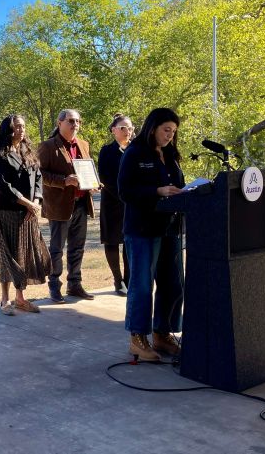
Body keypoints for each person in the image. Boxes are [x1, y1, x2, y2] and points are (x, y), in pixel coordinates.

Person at [118, 107, 185, 361]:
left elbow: (177, 184)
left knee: (173, 283)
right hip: (143, 230)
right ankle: (138, 338)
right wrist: (157, 191)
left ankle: (162, 334)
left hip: (170, 228)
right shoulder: (135, 152)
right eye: (166, 130)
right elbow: (125, 191)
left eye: (173, 132)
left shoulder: (170, 154)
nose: (170, 135)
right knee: (143, 286)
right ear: (153, 127)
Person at [0, 114, 51, 315]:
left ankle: (20, 298)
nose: (21, 130)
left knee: (24, 254)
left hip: (29, 211)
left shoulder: (26, 149)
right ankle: (5, 300)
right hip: (9, 209)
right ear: (7, 128)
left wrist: (36, 202)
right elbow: (3, 184)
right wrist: (26, 203)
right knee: (9, 254)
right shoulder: (0, 150)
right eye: (16, 126)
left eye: (23, 126)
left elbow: (38, 177)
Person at [37, 109, 95, 303]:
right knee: (57, 249)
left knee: (77, 248)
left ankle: (74, 284)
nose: (75, 125)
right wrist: (64, 180)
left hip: (81, 204)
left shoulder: (84, 144)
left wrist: (94, 183)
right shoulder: (47, 146)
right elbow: (40, 175)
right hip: (59, 207)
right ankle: (54, 285)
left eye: (78, 121)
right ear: (59, 123)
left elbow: (88, 170)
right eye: (71, 121)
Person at [98, 113, 134, 295]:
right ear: (114, 131)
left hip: (132, 205)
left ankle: (129, 279)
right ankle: (118, 280)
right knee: (112, 241)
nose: (128, 131)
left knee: (129, 242)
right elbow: (104, 177)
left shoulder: (136, 150)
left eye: (130, 128)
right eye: (123, 128)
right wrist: (124, 195)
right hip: (112, 203)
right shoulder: (106, 151)